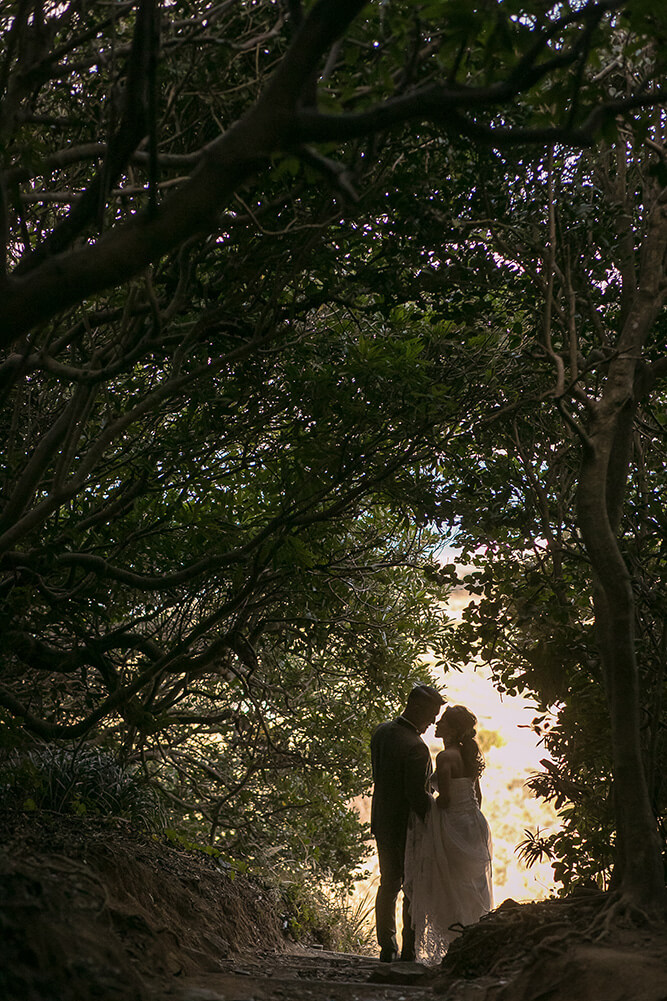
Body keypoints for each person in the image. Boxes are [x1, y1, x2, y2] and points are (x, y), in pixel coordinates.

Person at [404, 704, 493, 964]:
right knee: (470, 887)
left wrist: (422, 802)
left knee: (449, 886)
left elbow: (444, 800)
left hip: (453, 823)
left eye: (442, 722)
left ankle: (454, 944)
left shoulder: (445, 758)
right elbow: (478, 796)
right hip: (474, 823)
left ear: (452, 730)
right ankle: (472, 939)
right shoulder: (467, 757)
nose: (436, 725)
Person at [370, 683, 445, 963]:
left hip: (381, 819)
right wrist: (437, 819)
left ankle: (387, 946)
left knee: (388, 883)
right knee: (412, 886)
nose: (434, 721)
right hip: (408, 827)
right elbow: (416, 796)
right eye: (431, 714)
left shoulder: (381, 732)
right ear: (415, 707)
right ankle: (409, 950)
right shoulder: (416, 747)